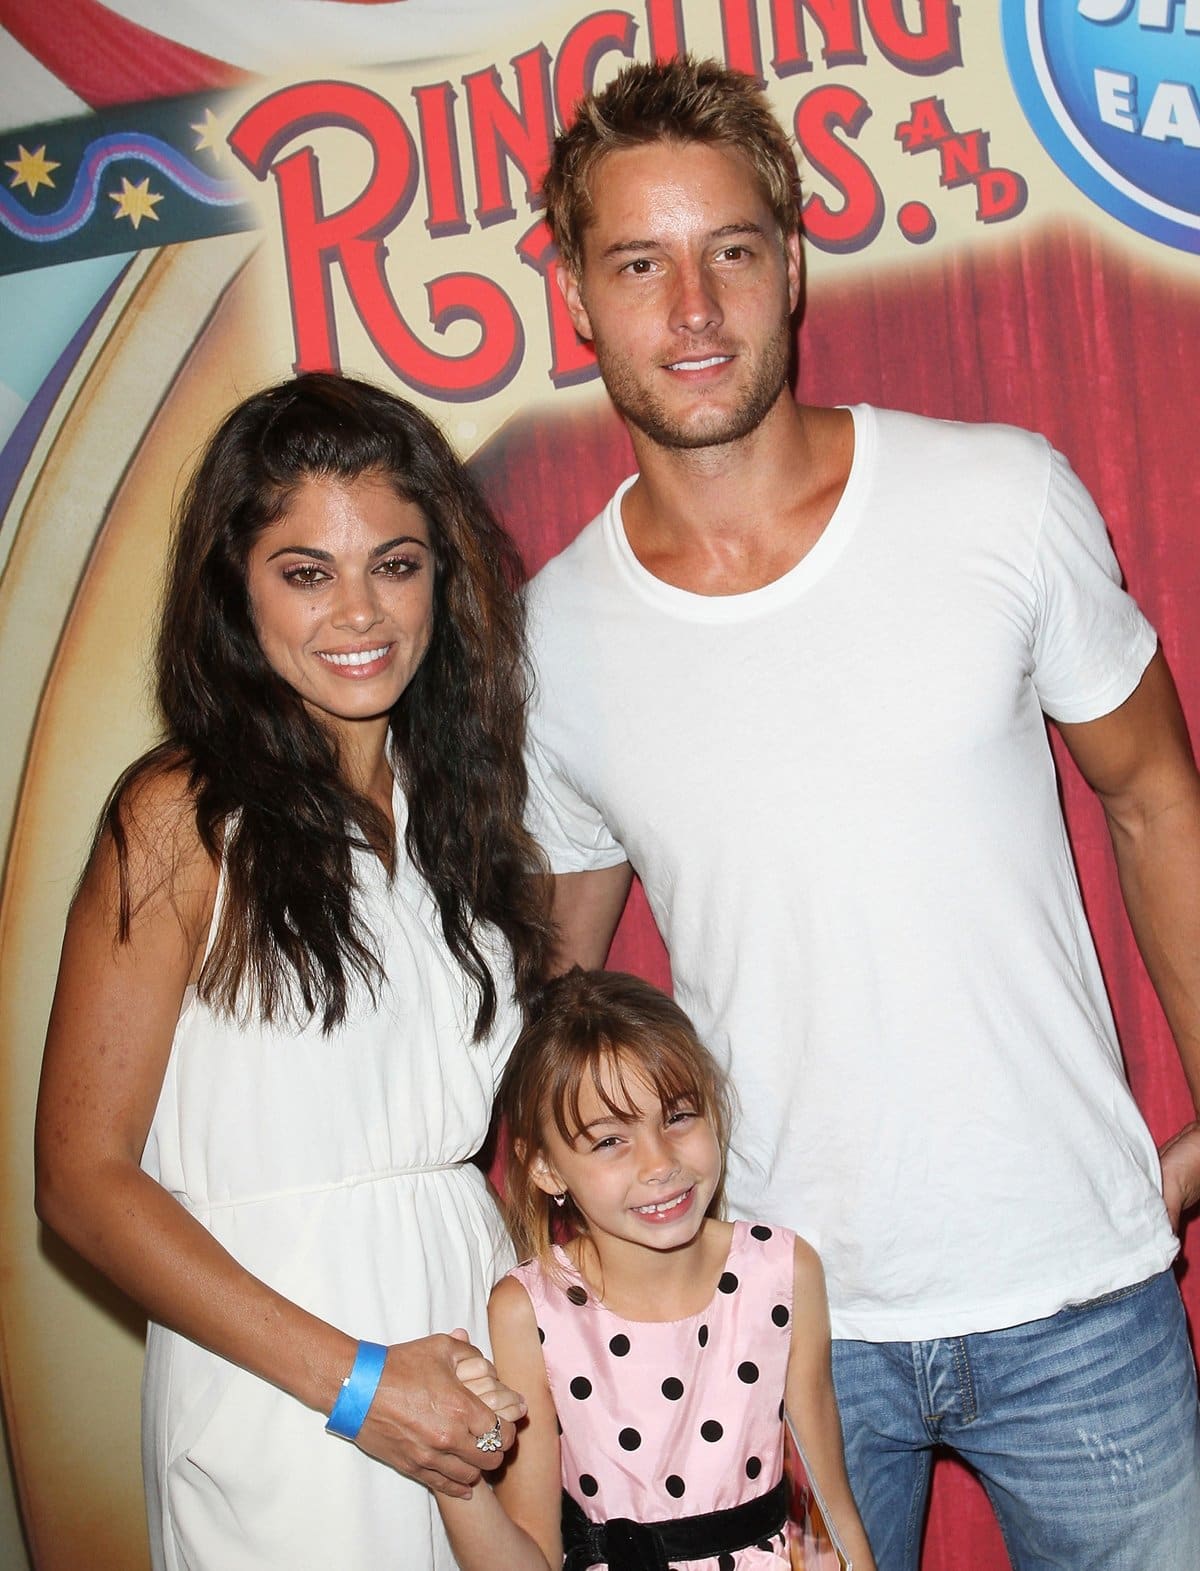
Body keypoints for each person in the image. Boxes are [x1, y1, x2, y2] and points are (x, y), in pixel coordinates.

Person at [522, 53, 1200, 1571]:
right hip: (759, 1314)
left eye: (733, 253)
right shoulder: (550, 637)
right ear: (578, 291)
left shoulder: (999, 497)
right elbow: (555, 991)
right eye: (641, 262)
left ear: (795, 262)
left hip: (1078, 1283)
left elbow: (1156, 791)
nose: (693, 312)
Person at [34, 372, 552, 1571]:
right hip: (287, 1394)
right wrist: (364, 1384)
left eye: (397, 563)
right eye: (305, 570)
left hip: (468, 1356)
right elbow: (82, 1182)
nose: (358, 612)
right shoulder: (181, 815)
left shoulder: (454, 816)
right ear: (237, 589)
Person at [436, 967, 876, 1571]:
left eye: (677, 1117)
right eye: (609, 1141)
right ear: (546, 1170)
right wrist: (452, 1466)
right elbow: (530, 1553)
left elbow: (825, 1517)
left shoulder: (783, 1269)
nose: (659, 1162)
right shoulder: (528, 1310)